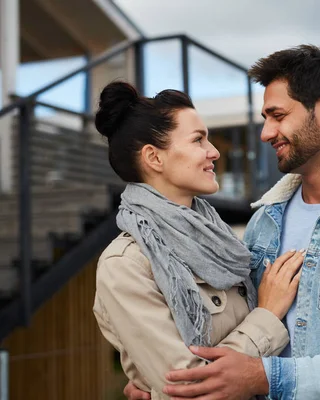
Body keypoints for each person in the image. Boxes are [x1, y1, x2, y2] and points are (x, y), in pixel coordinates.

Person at [126, 45, 320, 400]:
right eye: (266, 118)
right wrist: (158, 381)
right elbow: (229, 329)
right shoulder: (263, 222)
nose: (266, 132)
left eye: (277, 115)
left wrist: (266, 377)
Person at [92, 81, 305, 399]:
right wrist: (268, 316)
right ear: (154, 158)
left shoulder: (222, 242)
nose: (214, 152)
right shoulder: (125, 264)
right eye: (198, 140)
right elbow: (191, 387)